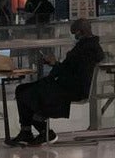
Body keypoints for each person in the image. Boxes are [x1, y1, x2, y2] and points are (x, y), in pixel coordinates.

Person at [7, 18, 105, 146]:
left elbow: (73, 73)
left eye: (74, 33)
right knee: (22, 89)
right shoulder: (88, 47)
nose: (74, 36)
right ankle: (27, 131)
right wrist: (56, 65)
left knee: (27, 92)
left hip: (71, 89)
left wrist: (55, 65)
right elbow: (71, 69)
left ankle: (42, 129)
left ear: (80, 32)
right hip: (67, 85)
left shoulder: (87, 50)